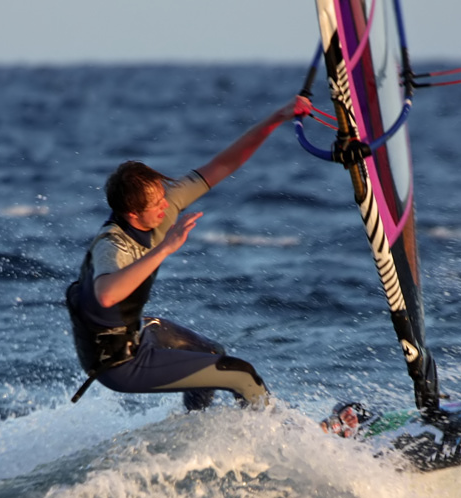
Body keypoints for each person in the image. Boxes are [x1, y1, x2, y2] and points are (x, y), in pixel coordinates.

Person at [66, 95, 312, 410]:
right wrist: (167, 247)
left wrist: (277, 117)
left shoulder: (160, 207)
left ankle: (196, 427)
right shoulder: (112, 244)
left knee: (212, 354)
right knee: (242, 375)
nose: (166, 206)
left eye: (163, 198)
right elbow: (106, 295)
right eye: (157, 205)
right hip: (117, 364)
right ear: (131, 214)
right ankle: (281, 440)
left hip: (136, 334)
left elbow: (223, 165)